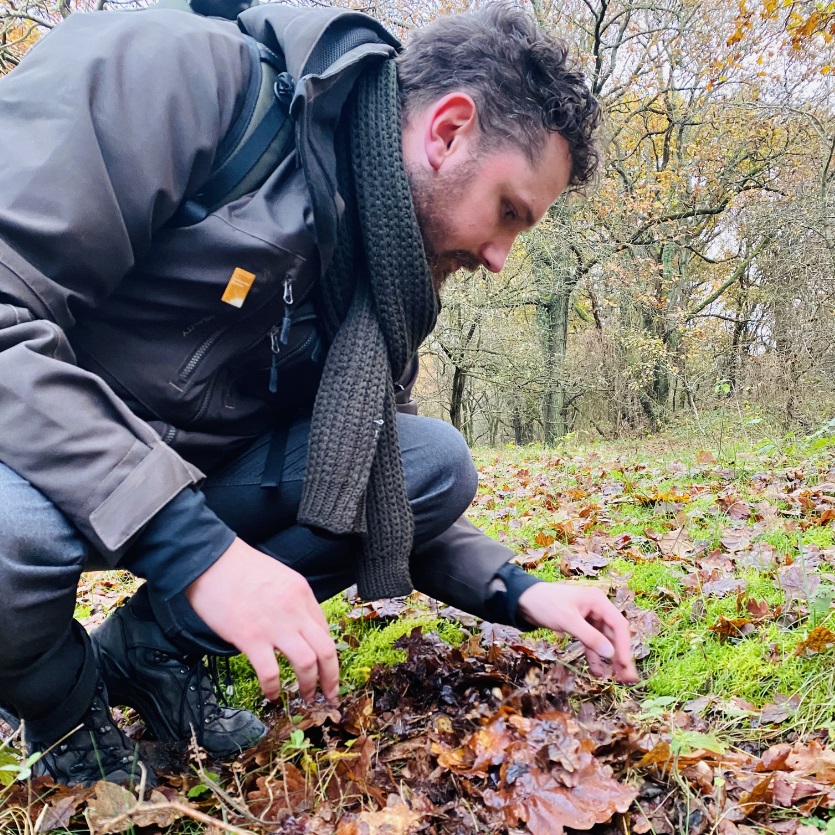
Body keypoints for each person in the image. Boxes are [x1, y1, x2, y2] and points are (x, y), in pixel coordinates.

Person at [0, 0, 638, 788]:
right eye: (507, 212)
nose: (501, 256)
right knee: (11, 535)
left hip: (187, 474)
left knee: (430, 461)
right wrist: (200, 554)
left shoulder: (387, 269)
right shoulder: (174, 75)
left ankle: (148, 651)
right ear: (448, 129)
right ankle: (60, 701)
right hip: (30, 446)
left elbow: (373, 478)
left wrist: (518, 588)